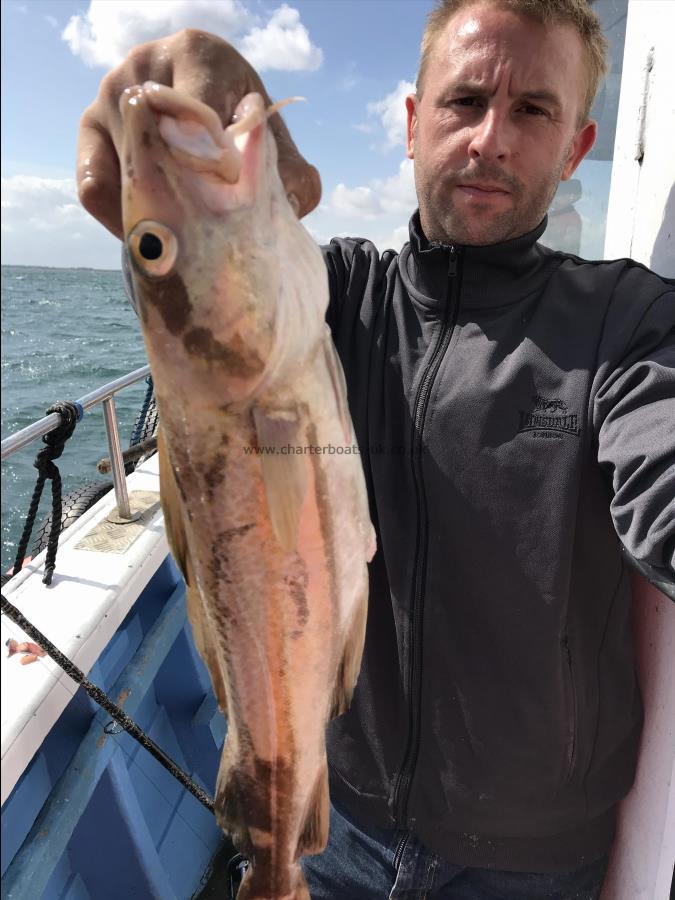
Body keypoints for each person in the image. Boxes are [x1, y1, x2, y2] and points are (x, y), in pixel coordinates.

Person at [78, 1, 675, 897]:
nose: (488, 140)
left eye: (531, 111)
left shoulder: (627, 324)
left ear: (577, 147)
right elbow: (212, 308)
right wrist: (182, 73)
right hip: (339, 823)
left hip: (528, 864)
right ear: (409, 121)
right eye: (463, 100)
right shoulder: (333, 297)